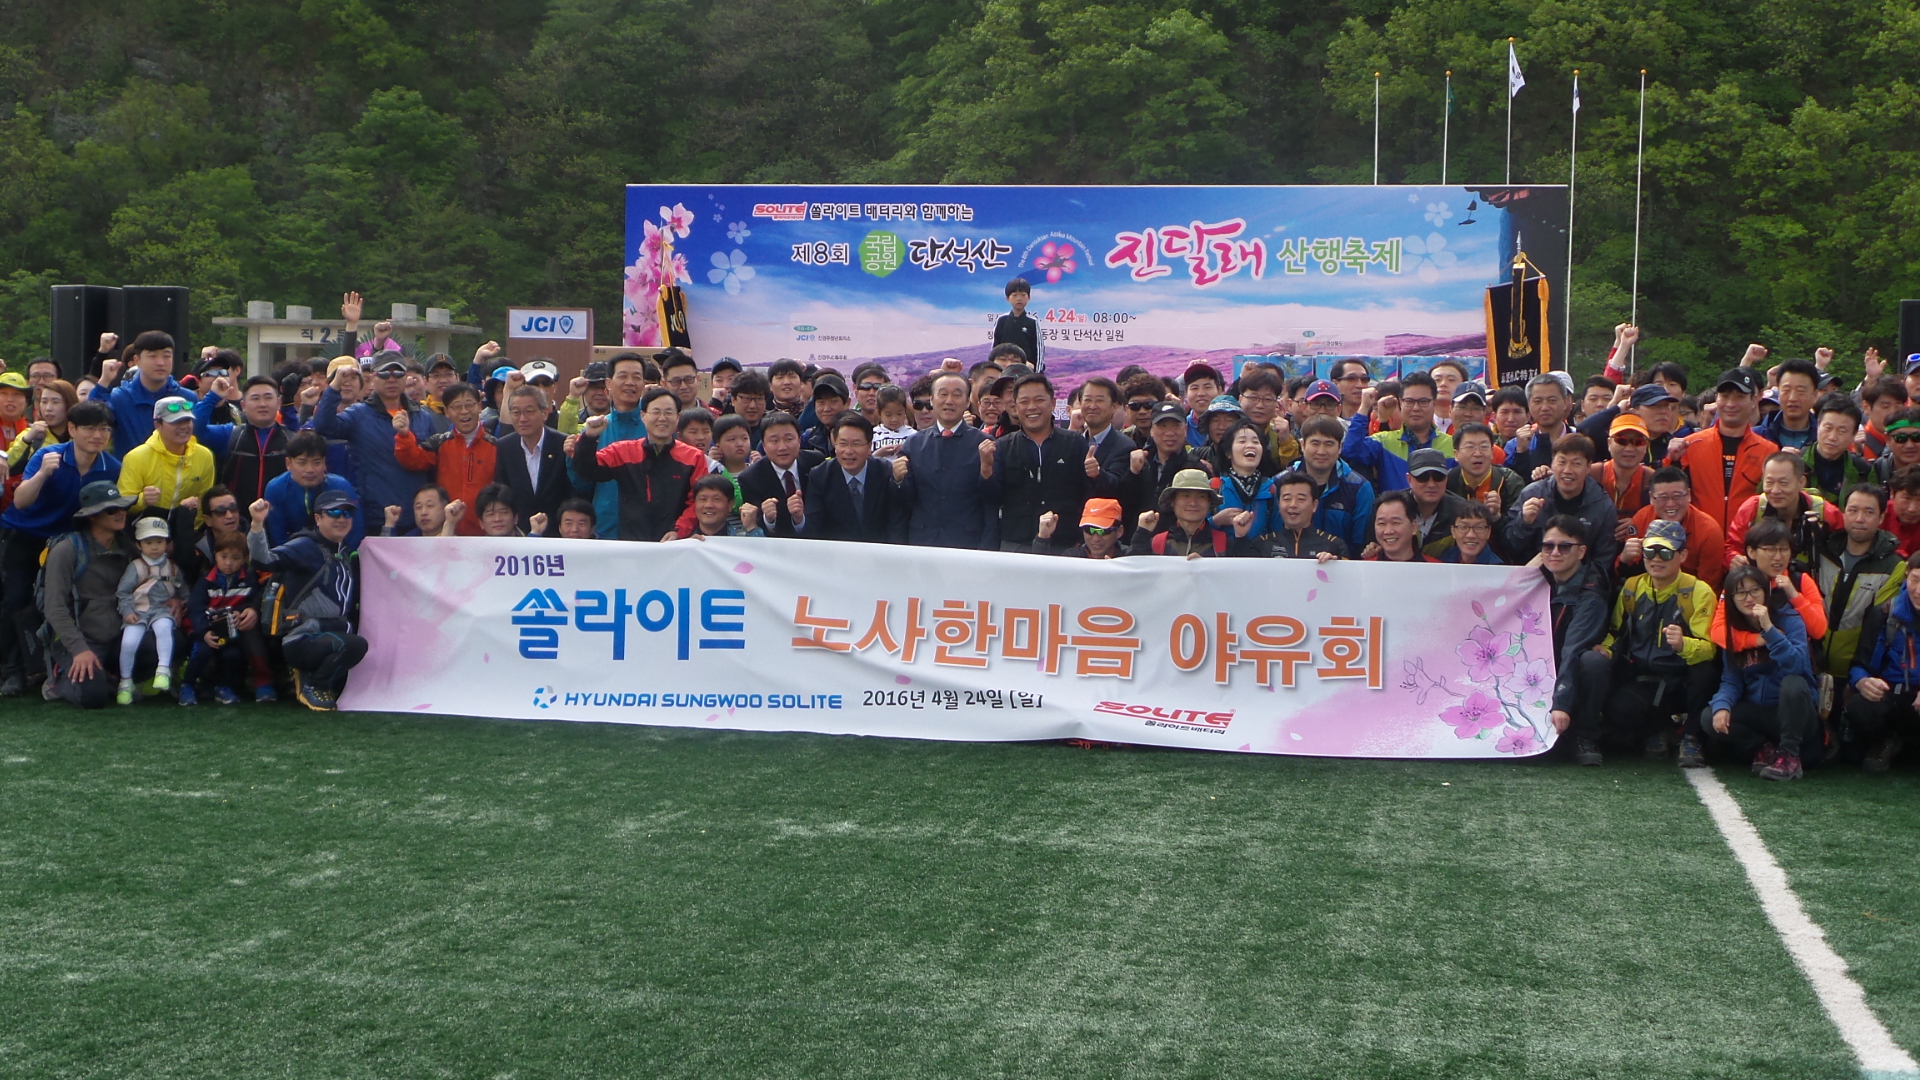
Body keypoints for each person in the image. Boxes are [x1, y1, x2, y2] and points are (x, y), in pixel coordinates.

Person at [0, 401, 119, 696]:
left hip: (70, 545)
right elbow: (20, 501)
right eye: (90, 428)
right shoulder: (48, 455)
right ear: (72, 429)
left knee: (62, 604)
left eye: (104, 429)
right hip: (26, 537)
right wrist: (42, 474)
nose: (98, 435)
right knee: (15, 601)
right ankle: (12, 671)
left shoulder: (111, 467)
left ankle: (50, 668)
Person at [1589, 519, 1721, 763]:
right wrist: (1605, 649)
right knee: (1617, 710)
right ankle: (1657, 729)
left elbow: (1710, 649)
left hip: (1682, 680)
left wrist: (1684, 645)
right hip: (1645, 679)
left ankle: (1691, 737)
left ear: (1682, 555)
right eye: (1650, 551)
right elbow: (1616, 632)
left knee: (1704, 672)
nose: (1656, 558)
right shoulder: (1631, 587)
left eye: (1665, 552)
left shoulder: (1699, 591)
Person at [247, 488, 366, 711]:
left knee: (349, 661)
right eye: (334, 513)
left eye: (347, 513)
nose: (341, 519)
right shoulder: (306, 545)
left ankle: (313, 677)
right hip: (303, 638)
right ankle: (312, 685)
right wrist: (256, 524)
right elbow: (264, 560)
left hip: (331, 635)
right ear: (318, 518)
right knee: (354, 645)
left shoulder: (346, 552)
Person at [1706, 563, 1818, 780]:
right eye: (1741, 593)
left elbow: (1797, 666)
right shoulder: (1731, 631)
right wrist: (1722, 706)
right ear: (1730, 599)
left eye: (1755, 590)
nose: (1749, 598)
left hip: (1795, 714)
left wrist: (1769, 630)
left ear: (1766, 592)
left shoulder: (1790, 619)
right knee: (1709, 717)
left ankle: (1790, 755)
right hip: (1760, 712)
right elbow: (1731, 681)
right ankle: (1763, 749)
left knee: (1793, 683)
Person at [39, 481, 138, 707]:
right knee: (93, 696)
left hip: (122, 634)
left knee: (167, 646)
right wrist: (79, 650)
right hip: (83, 639)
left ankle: (112, 678)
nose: (121, 514)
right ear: (92, 516)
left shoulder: (128, 547)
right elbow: (54, 607)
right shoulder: (66, 550)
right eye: (112, 510)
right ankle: (58, 681)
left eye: (122, 508)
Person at [314, 354, 438, 532]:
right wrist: (335, 385)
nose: (392, 379)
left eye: (398, 374)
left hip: (417, 518)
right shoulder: (358, 414)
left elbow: (433, 466)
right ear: (372, 378)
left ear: (406, 377)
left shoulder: (422, 416)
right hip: (375, 516)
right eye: (384, 374)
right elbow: (323, 426)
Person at [570, 387, 705, 541]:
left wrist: (678, 531)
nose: (662, 418)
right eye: (655, 412)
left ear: (678, 418)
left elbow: (698, 500)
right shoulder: (623, 451)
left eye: (668, 412)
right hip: (631, 546)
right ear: (643, 416)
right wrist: (589, 437)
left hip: (675, 545)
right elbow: (587, 470)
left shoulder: (694, 457)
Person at [1662, 365, 1777, 531]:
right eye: (1725, 396)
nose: (1731, 403)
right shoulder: (1690, 444)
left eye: (1739, 397)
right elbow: (1668, 491)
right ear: (1716, 399)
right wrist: (1670, 460)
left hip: (1745, 545)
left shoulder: (1768, 451)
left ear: (1754, 401)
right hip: (1699, 541)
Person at [892, 373, 999, 550]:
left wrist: (987, 469)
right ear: (932, 400)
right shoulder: (914, 443)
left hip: (967, 543)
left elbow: (993, 499)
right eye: (943, 394)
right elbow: (903, 500)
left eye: (957, 395)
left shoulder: (984, 443)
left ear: (967, 402)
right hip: (923, 543)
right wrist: (897, 480)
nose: (949, 401)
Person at [1816, 483, 1907, 690]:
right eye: (1853, 510)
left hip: (1856, 674)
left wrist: (1860, 673)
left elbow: (1878, 626)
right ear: (1843, 513)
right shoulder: (1823, 551)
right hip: (1814, 664)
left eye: (1869, 512)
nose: (1859, 518)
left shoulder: (1892, 566)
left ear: (1881, 518)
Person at [1540, 516, 1612, 765]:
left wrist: (1561, 703)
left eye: (1564, 546)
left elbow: (1573, 648)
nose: (1555, 553)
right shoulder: (1537, 579)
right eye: (1548, 546)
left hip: (1569, 669)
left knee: (1593, 660)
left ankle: (1585, 734)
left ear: (1581, 552)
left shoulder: (1591, 593)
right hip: (1544, 667)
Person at [178, 533, 274, 706]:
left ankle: (224, 687)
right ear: (215, 556)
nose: (228, 563)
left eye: (235, 558)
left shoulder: (250, 579)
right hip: (206, 632)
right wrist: (204, 632)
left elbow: (257, 598)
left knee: (233, 655)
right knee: (202, 651)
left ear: (245, 559)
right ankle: (188, 684)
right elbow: (195, 608)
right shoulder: (206, 581)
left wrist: (247, 609)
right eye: (223, 556)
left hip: (231, 634)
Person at [566, 352, 652, 540]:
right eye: (622, 376)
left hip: (648, 533)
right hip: (605, 529)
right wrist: (574, 456)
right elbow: (583, 485)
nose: (630, 382)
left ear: (643, 385)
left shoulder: (655, 428)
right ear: (608, 385)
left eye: (636, 377)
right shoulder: (594, 429)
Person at [1844, 561, 1920, 772]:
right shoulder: (1885, 613)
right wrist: (1862, 681)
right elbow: (1860, 663)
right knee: (1861, 706)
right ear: (1906, 575)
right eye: (1915, 580)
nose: (1919, 590)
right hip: (1892, 698)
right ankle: (1885, 741)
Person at [1505, 434, 1619, 570]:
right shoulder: (1532, 493)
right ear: (1552, 463)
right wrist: (1524, 522)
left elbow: (1603, 561)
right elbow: (1510, 546)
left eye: (1576, 464)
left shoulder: (1602, 505)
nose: (1567, 470)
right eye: (1562, 462)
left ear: (1589, 467)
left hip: (1580, 583)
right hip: (1532, 578)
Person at [393, 383, 493, 536]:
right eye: (456, 407)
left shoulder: (496, 446)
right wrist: (404, 436)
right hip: (446, 532)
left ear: (480, 406)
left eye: (469, 405)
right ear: (447, 412)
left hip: (485, 534)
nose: (464, 411)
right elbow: (412, 460)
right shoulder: (439, 443)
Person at [1724, 452, 1841, 575]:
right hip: (1763, 586)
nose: (1775, 490)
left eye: (1783, 483)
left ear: (1801, 482)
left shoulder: (1822, 510)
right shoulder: (1753, 508)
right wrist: (1734, 559)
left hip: (1811, 582)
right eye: (1769, 482)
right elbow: (1731, 547)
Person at [191, 375, 295, 509]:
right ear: (243, 406)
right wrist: (213, 396)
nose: (262, 404)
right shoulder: (231, 434)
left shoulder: (291, 438)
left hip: (279, 519)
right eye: (255, 398)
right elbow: (194, 430)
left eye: (268, 398)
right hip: (235, 520)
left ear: (279, 403)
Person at [88, 330, 197, 457]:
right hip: (132, 474)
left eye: (166, 356)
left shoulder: (186, 398)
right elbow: (90, 418)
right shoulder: (120, 398)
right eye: (152, 356)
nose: (160, 362)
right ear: (137, 360)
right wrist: (104, 382)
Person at [802, 413, 906, 543]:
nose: (849, 451)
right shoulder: (820, 476)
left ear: (869, 447)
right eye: (843, 444)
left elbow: (896, 522)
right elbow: (814, 527)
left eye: (856, 444)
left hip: (880, 552)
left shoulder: (885, 471)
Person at [113, 515, 184, 704]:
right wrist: (127, 611)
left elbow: (182, 590)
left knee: (164, 629)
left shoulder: (173, 567)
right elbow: (123, 592)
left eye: (159, 542)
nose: (154, 547)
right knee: (129, 643)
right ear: (139, 545)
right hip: (138, 611)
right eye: (148, 542)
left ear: (167, 543)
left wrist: (180, 601)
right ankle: (125, 682)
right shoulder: (135, 567)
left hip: (161, 610)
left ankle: (162, 670)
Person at [1343, 371, 1452, 492]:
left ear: (1434, 403)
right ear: (1401, 403)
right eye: (1409, 401)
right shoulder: (1384, 441)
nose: (1416, 408)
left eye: (1423, 402)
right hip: (1394, 510)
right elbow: (1350, 451)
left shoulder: (1451, 445)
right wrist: (1364, 407)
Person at [263, 431, 365, 549]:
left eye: (317, 463)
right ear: (288, 463)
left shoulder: (341, 486)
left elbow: (355, 531)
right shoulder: (275, 488)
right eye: (302, 463)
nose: (310, 470)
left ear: (325, 463)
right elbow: (277, 537)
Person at [119, 397, 216, 519]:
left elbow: (205, 502)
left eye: (187, 420)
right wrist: (142, 500)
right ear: (158, 425)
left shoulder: (204, 456)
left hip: (189, 530)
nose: (184, 426)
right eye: (175, 422)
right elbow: (122, 504)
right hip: (148, 532)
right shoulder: (136, 457)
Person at [491, 385, 572, 533]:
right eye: (516, 413)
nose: (522, 419)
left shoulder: (562, 445)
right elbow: (503, 492)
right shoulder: (504, 447)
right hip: (520, 534)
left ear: (545, 413)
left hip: (558, 534)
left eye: (529, 412)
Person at [1126, 469, 1257, 557]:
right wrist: (1142, 533)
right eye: (1185, 495)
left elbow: (1243, 578)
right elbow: (1134, 577)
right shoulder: (1157, 543)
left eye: (1201, 497)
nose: (1193, 503)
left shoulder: (1225, 544)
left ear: (1209, 503)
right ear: (1173, 501)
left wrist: (1241, 538)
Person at [1292, 414, 1372, 553]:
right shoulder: (1282, 483)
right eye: (1315, 443)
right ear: (1303, 445)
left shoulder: (1359, 488)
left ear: (1340, 447)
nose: (1321, 451)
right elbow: (1273, 537)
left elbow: (1361, 545)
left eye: (1329, 444)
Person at [737, 411, 823, 539]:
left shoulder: (815, 462)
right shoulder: (750, 478)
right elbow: (756, 525)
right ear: (764, 445)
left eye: (789, 439)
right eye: (774, 441)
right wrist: (769, 519)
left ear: (799, 440)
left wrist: (800, 519)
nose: (782, 447)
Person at [1212, 422, 1279, 540]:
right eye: (1242, 441)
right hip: (1222, 557)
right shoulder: (1215, 486)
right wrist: (1215, 521)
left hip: (1260, 555)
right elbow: (1197, 530)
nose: (1250, 446)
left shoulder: (1271, 489)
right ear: (1228, 452)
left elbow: (1278, 533)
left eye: (1255, 442)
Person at [1505, 374, 1576, 480]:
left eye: (1552, 400)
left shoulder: (1579, 440)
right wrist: (1521, 453)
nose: (1545, 407)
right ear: (1529, 404)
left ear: (1565, 402)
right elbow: (1511, 488)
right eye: (1537, 401)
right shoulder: (1515, 445)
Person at [1265, 470, 1346, 561]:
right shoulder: (1262, 544)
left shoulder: (1334, 546)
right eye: (1287, 499)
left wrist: (1335, 564)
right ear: (1279, 504)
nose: (1293, 505)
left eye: (1301, 499)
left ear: (1314, 505)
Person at [1400, 447, 1471, 550]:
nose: (1431, 484)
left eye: (1438, 477)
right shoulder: (1390, 509)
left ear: (1446, 479)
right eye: (1422, 477)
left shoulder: (1462, 511)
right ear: (1409, 479)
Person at [1805, 394, 1871, 503]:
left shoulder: (1862, 471)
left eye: (1842, 431)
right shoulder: (1796, 463)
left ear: (1854, 434)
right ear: (1818, 425)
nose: (1832, 437)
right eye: (1828, 428)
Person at [1594, 413, 1654, 521]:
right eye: (1622, 440)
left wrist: (1639, 523)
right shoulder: (1592, 474)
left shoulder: (1653, 480)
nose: (1629, 448)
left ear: (1646, 446)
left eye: (1638, 442)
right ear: (1609, 443)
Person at [674, 474, 766, 539]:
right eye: (703, 499)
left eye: (716, 499)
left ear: (730, 504)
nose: (708, 505)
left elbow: (762, 558)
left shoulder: (742, 539)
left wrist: (751, 527)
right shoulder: (682, 542)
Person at [1756, 358, 1820, 450]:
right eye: (1786, 390)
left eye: (1800, 391)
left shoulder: (1825, 440)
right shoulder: (1756, 436)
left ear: (1815, 395)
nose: (1792, 398)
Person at [1362, 491, 1437, 563]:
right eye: (1382, 523)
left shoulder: (1436, 569)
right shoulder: (1363, 569)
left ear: (1414, 527)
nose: (1388, 531)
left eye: (1396, 523)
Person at [1037, 498, 1124, 559]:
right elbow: (1043, 574)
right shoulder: (1071, 558)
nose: (1096, 538)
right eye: (1089, 530)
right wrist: (1043, 537)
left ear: (1119, 531)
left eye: (1103, 531)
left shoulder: (1130, 559)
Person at [993, 277, 1043, 374]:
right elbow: (995, 347)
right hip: (1004, 369)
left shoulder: (1032, 321)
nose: (1019, 299)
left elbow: (1038, 349)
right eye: (1014, 295)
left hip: (1026, 369)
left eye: (1023, 295)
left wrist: (1037, 372)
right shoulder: (1001, 320)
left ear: (1029, 298)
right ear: (1007, 298)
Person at [1431, 501, 1503, 564]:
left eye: (1479, 528)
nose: (1470, 535)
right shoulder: (1444, 561)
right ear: (1453, 531)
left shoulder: (1497, 569)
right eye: (1463, 527)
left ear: (1488, 532)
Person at [1859, 376, 1907, 463]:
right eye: (1885, 406)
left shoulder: (1912, 441)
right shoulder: (1855, 444)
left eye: (1898, 406)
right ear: (1866, 407)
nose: (1893, 412)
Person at [556, 361, 613, 434]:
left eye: (604, 387)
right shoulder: (573, 419)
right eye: (594, 387)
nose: (600, 393)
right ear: (584, 390)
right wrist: (573, 396)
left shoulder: (622, 420)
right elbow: (564, 436)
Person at [1180, 362, 1225, 448]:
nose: (1201, 393)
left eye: (1207, 387)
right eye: (1194, 388)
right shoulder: (1182, 428)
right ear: (1186, 393)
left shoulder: (1232, 426)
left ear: (1219, 391)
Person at [803, 375, 849, 456]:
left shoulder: (862, 432)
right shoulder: (809, 437)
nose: (826, 409)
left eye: (833, 401)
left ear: (847, 403)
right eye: (821, 402)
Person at [729, 370, 771, 446]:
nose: (752, 406)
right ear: (733, 400)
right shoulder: (722, 429)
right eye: (746, 399)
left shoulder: (771, 429)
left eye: (759, 399)